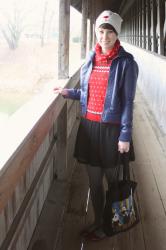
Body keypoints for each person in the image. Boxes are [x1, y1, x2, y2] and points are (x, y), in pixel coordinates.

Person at [54, 10, 138, 241]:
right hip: (89, 129)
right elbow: (90, 94)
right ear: (96, 33)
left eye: (109, 32)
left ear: (116, 34)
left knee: (113, 182)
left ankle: (111, 224)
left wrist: (125, 134)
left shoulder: (126, 63)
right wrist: (68, 92)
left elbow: (128, 102)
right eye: (101, 31)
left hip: (112, 132)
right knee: (94, 182)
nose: (104, 36)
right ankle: (98, 221)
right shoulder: (91, 59)